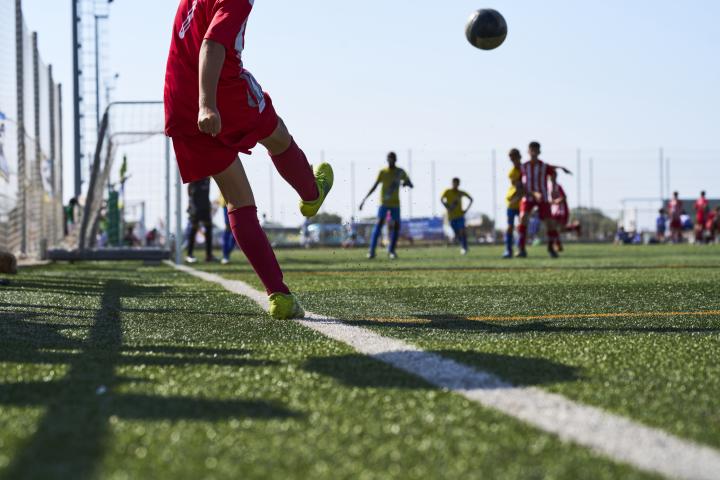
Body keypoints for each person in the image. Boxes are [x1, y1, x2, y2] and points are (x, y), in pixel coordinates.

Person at [164, 0, 334, 319]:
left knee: (237, 198)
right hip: (219, 91)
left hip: (178, 101)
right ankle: (312, 195)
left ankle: (279, 295)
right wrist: (207, 104)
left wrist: (199, 105)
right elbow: (212, 44)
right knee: (277, 132)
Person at [359, 152, 413, 260]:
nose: (391, 161)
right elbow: (374, 186)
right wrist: (364, 200)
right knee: (378, 224)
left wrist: (405, 183)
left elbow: (410, 184)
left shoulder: (400, 171)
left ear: (395, 160)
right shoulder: (383, 172)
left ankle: (391, 251)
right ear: (387, 160)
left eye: (393, 159)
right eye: (389, 159)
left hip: (395, 204)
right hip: (383, 203)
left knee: (396, 226)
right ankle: (371, 251)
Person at [516, 142, 561, 258]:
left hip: (543, 198)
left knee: (550, 222)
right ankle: (521, 249)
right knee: (523, 218)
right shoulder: (523, 167)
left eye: (536, 150)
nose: (534, 152)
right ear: (528, 151)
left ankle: (551, 248)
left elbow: (553, 173)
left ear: (539, 151)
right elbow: (520, 184)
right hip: (528, 197)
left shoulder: (544, 166)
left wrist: (554, 188)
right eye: (532, 150)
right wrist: (531, 193)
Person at [186, 178, 215, 263]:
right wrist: (191, 203)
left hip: (205, 205)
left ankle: (209, 255)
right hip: (196, 206)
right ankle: (189, 254)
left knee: (209, 229)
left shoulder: (208, 177)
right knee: (194, 229)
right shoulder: (195, 175)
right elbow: (189, 188)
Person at [441, 178, 474, 255]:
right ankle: (464, 245)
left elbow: (471, 199)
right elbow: (441, 199)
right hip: (451, 217)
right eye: (454, 183)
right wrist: (448, 207)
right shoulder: (447, 192)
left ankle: (464, 247)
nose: (455, 185)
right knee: (457, 234)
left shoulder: (460, 193)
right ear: (452, 183)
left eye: (457, 183)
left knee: (462, 231)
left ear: (459, 184)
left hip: (460, 216)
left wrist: (466, 210)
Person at [503, 149, 524, 258]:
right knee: (510, 226)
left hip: (523, 203)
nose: (513, 161)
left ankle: (521, 249)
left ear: (519, 157)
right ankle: (508, 250)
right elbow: (518, 187)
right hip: (512, 202)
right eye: (511, 159)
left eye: (514, 158)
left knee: (522, 227)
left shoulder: (526, 169)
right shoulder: (512, 172)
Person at [550, 180, 581, 252]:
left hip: (562, 210)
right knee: (557, 229)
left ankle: (558, 245)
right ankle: (575, 227)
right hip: (553, 211)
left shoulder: (558, 186)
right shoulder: (545, 186)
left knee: (558, 229)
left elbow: (564, 197)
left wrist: (555, 201)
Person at [219, 195, 236, 265]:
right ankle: (225, 255)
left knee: (236, 229)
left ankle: (227, 253)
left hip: (240, 202)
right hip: (226, 202)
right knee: (228, 227)